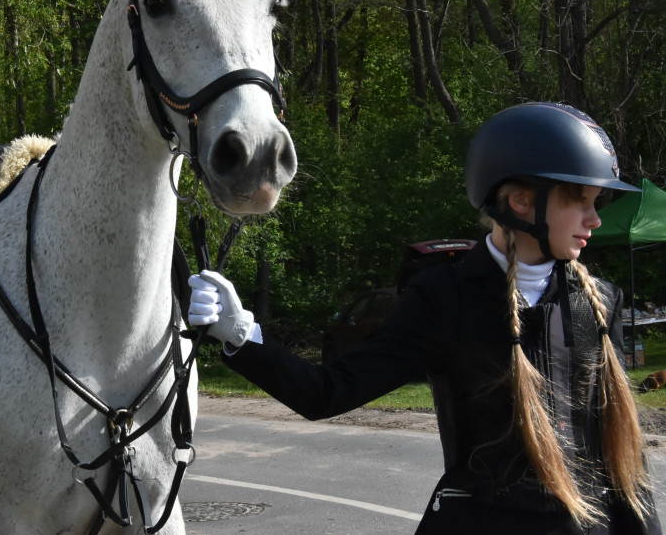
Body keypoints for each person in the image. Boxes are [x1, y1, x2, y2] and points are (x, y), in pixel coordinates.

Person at [189, 102, 662, 534]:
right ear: (521, 202)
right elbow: (326, 393)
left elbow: (623, 457)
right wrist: (241, 337)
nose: (594, 219)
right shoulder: (445, 298)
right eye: (579, 200)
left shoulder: (599, 300)